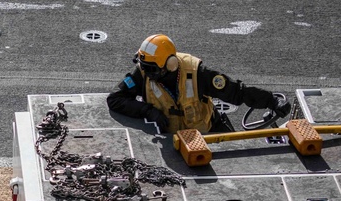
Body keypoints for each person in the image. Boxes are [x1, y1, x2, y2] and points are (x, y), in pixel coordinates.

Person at [107, 33, 291, 133]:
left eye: (152, 69)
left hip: (208, 135)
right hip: (173, 143)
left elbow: (238, 92)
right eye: (144, 67)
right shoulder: (144, 72)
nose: (146, 73)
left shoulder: (197, 73)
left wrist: (272, 101)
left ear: (170, 65)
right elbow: (115, 98)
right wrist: (148, 111)